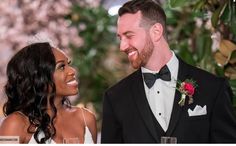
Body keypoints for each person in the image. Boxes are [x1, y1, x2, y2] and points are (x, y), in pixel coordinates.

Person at [101, 0, 236, 143]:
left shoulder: (213, 88)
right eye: (120, 38)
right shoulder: (115, 98)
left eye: (129, 36)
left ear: (156, 32)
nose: (122, 46)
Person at [0, 42, 97, 143]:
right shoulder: (13, 124)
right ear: (38, 78)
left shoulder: (86, 118)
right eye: (61, 67)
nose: (72, 71)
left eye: (68, 64)